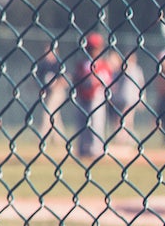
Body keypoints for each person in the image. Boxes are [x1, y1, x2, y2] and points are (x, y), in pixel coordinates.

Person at [68, 31, 114, 160]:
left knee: (96, 123)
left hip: (96, 97)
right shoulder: (82, 64)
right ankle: (83, 150)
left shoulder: (103, 64)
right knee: (82, 124)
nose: (93, 51)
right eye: (90, 48)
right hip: (82, 97)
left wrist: (96, 81)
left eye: (95, 48)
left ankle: (96, 150)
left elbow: (108, 80)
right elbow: (76, 78)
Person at [109, 49, 144, 147]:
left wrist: (142, 99)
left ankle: (124, 136)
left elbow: (141, 84)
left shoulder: (136, 69)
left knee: (127, 118)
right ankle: (123, 136)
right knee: (123, 118)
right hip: (121, 97)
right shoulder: (122, 69)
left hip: (131, 98)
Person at [32, 47, 67, 142]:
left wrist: (56, 84)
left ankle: (42, 136)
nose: (48, 55)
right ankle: (59, 138)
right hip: (47, 93)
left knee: (48, 113)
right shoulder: (43, 65)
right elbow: (37, 79)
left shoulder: (58, 64)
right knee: (55, 116)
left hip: (57, 92)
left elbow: (66, 80)